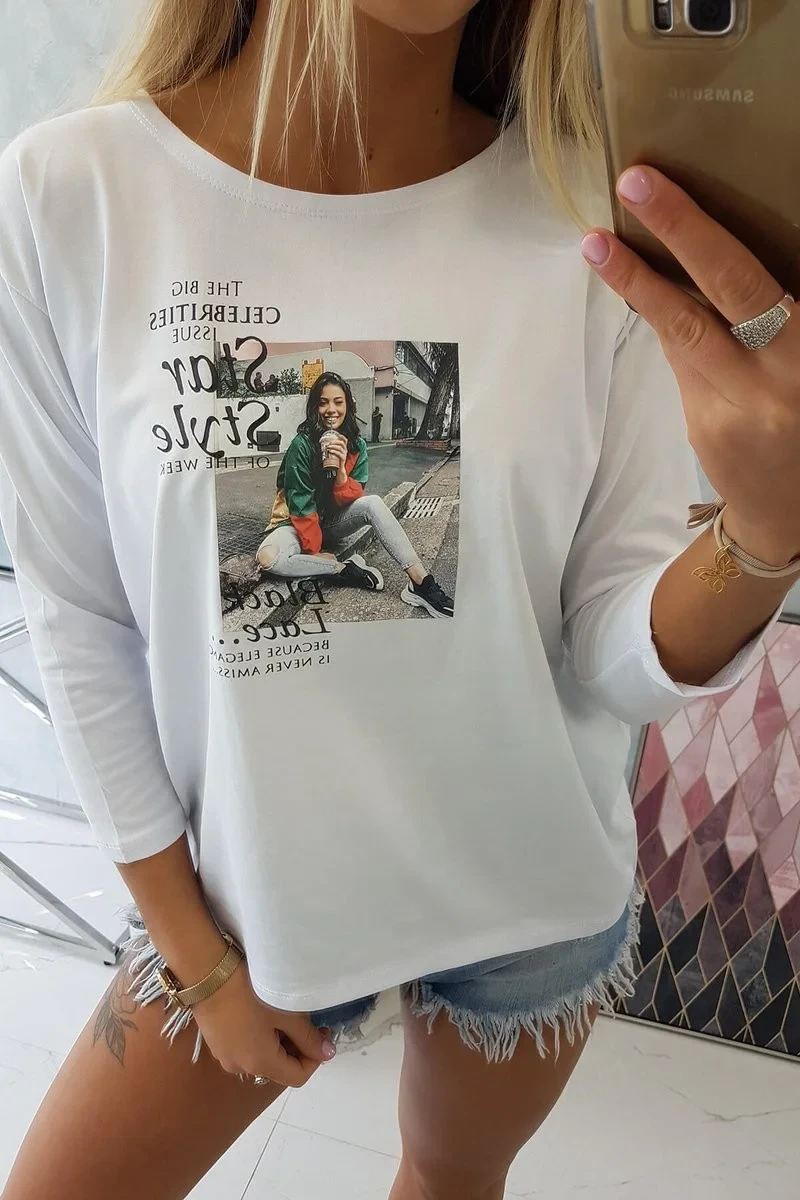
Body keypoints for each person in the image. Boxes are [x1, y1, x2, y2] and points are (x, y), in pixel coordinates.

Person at [1, 2, 799, 1199]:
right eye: (327, 409)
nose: (331, 415)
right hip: (251, 908)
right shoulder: (72, 194)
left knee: (448, 1180)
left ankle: (400, 579)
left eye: (335, 408)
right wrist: (195, 961)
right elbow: (81, 620)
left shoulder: (590, 228)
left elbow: (608, 657)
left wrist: (765, 531)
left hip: (526, 899)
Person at [256, 371, 454, 616]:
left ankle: (421, 583)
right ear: (314, 408)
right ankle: (344, 570)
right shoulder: (302, 445)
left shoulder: (357, 445)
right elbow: (300, 504)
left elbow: (354, 496)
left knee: (372, 503)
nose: (331, 410)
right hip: (294, 524)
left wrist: (340, 471)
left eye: (338, 402)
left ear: (348, 406)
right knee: (268, 558)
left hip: (330, 521)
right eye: (323, 402)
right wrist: (315, 552)